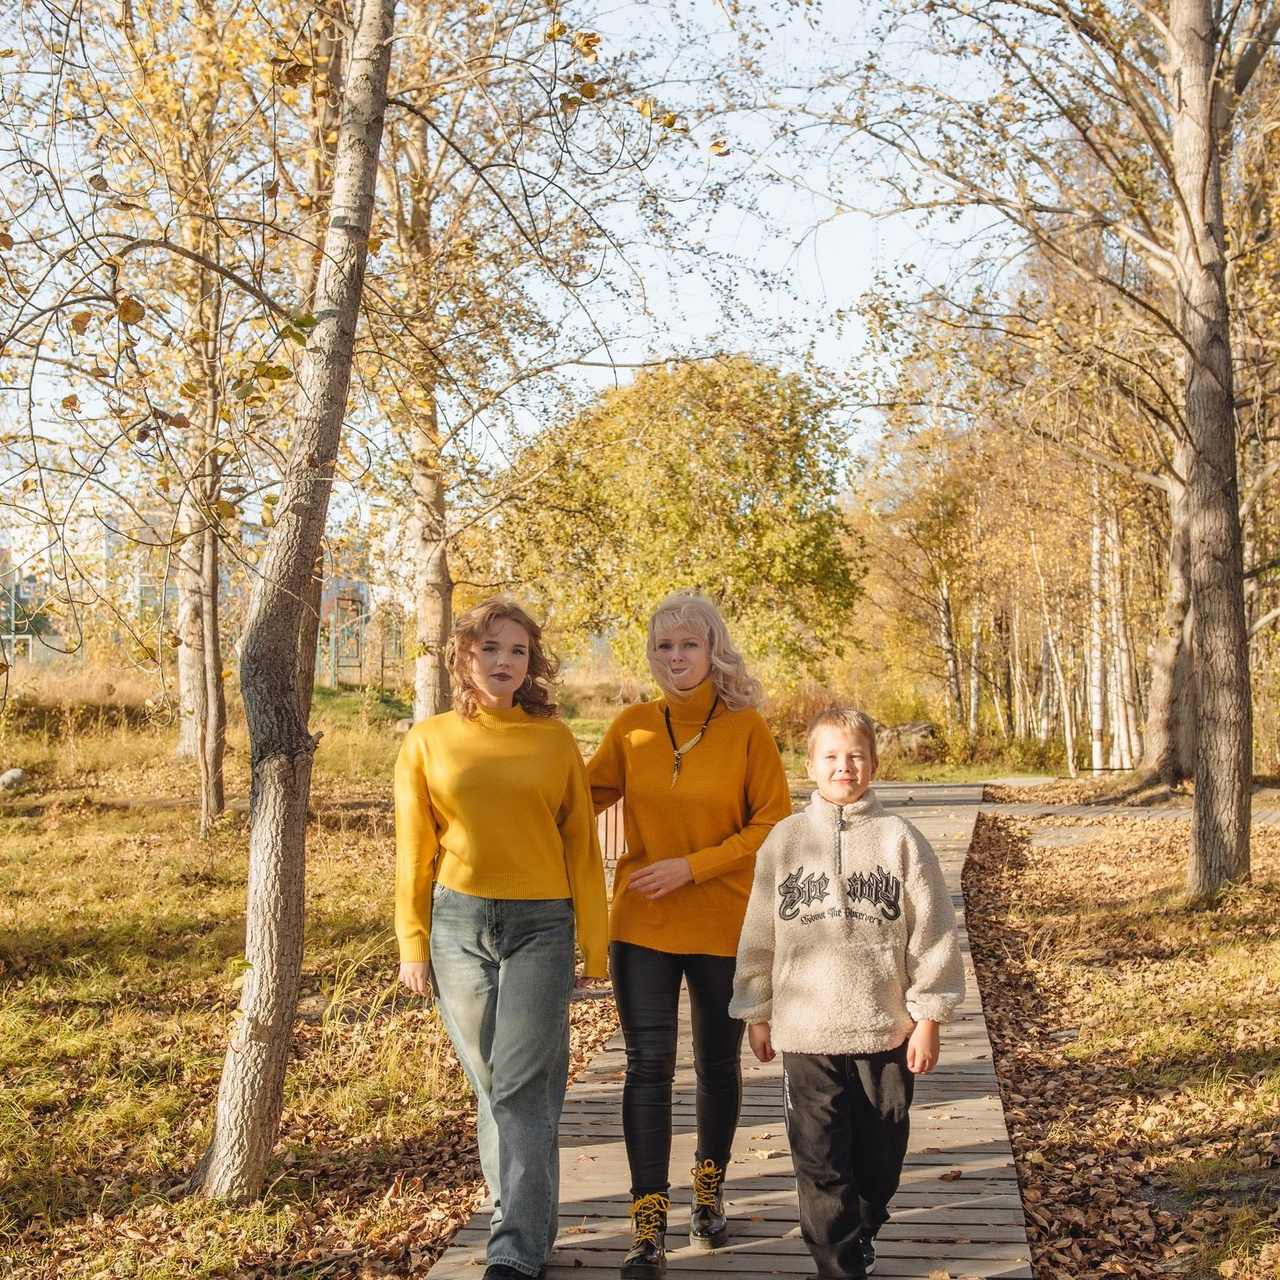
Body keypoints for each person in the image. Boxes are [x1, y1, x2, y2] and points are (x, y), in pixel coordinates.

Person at [395, 597, 609, 1280]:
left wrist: (595, 946)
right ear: (464, 656)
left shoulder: (553, 740)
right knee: (498, 1086)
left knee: (518, 1084)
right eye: (490, 648)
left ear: (531, 663)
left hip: (542, 925)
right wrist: (412, 942)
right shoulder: (426, 740)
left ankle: (513, 1247)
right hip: (458, 924)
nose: (503, 662)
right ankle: (527, 1218)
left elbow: (581, 845)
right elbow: (413, 850)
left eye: (516, 650)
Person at [588, 590, 792, 1279]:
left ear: (714, 651)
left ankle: (710, 1187)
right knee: (647, 1067)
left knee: (714, 1065)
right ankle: (649, 1224)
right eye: (663, 646)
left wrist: (694, 866)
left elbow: (772, 823)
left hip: (724, 922)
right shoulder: (632, 726)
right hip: (641, 921)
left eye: (688, 644)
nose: (675, 657)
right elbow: (574, 797)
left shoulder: (746, 729)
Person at [729, 707, 965, 1280]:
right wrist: (756, 1011)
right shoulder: (784, 842)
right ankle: (838, 1266)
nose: (844, 767)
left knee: (880, 1159)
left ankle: (864, 1226)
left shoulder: (900, 840)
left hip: (885, 1029)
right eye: (831, 757)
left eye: (855, 756)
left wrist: (929, 1014)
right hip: (805, 1029)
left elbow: (931, 931)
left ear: (874, 764)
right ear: (809, 766)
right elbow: (759, 932)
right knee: (820, 1161)